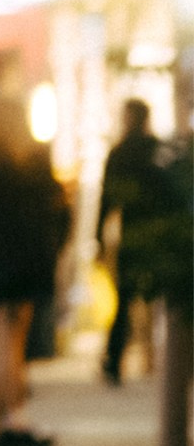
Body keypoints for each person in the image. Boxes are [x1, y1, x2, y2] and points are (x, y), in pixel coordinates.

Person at [0, 87, 71, 446]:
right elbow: (60, 209)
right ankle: (15, 419)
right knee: (14, 343)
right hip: (29, 262)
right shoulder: (34, 160)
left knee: (1, 339)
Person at [96, 98, 168, 385]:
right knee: (158, 298)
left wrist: (99, 237)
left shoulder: (120, 153)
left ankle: (115, 361)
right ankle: (155, 358)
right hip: (157, 233)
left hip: (131, 232)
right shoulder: (157, 151)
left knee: (124, 299)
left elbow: (107, 200)